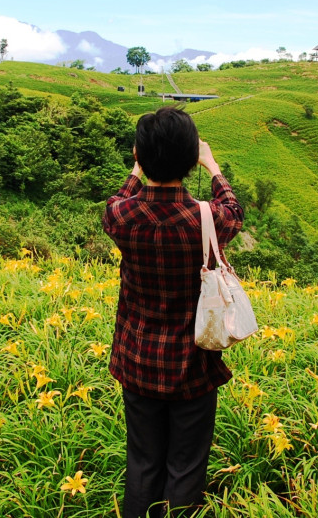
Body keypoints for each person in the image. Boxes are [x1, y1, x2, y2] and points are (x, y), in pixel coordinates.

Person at [102, 106, 244, 518]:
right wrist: (212, 165)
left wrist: (136, 168)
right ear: (189, 160)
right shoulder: (207, 219)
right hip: (193, 364)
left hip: (137, 361)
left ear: (140, 158)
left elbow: (121, 196)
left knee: (143, 462)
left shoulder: (119, 216)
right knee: (186, 465)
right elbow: (233, 209)